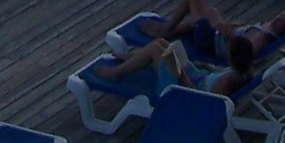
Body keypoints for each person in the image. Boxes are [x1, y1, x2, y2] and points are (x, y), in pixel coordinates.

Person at [140, 0, 285, 61]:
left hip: (212, 45)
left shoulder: (264, 37)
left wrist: (227, 34)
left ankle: (167, 29)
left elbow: (246, 54)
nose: (277, 18)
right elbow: (245, 34)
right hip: (216, 39)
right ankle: (169, 30)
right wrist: (232, 27)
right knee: (206, 14)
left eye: (281, 19)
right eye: (280, 14)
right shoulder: (269, 29)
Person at [89, 31, 256, 96]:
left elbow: (204, 100)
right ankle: (133, 59)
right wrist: (208, 67)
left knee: (157, 48)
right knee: (163, 43)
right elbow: (220, 73)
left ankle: (116, 72)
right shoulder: (244, 70)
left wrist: (183, 78)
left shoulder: (227, 82)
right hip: (194, 75)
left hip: (180, 89)